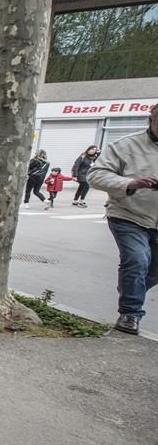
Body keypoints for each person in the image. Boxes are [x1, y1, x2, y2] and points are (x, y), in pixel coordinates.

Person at [88, 103, 158, 335]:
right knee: (137, 259)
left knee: (149, 269)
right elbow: (96, 175)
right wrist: (131, 183)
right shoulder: (125, 145)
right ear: (151, 121)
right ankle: (130, 313)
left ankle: (130, 285)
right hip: (128, 214)